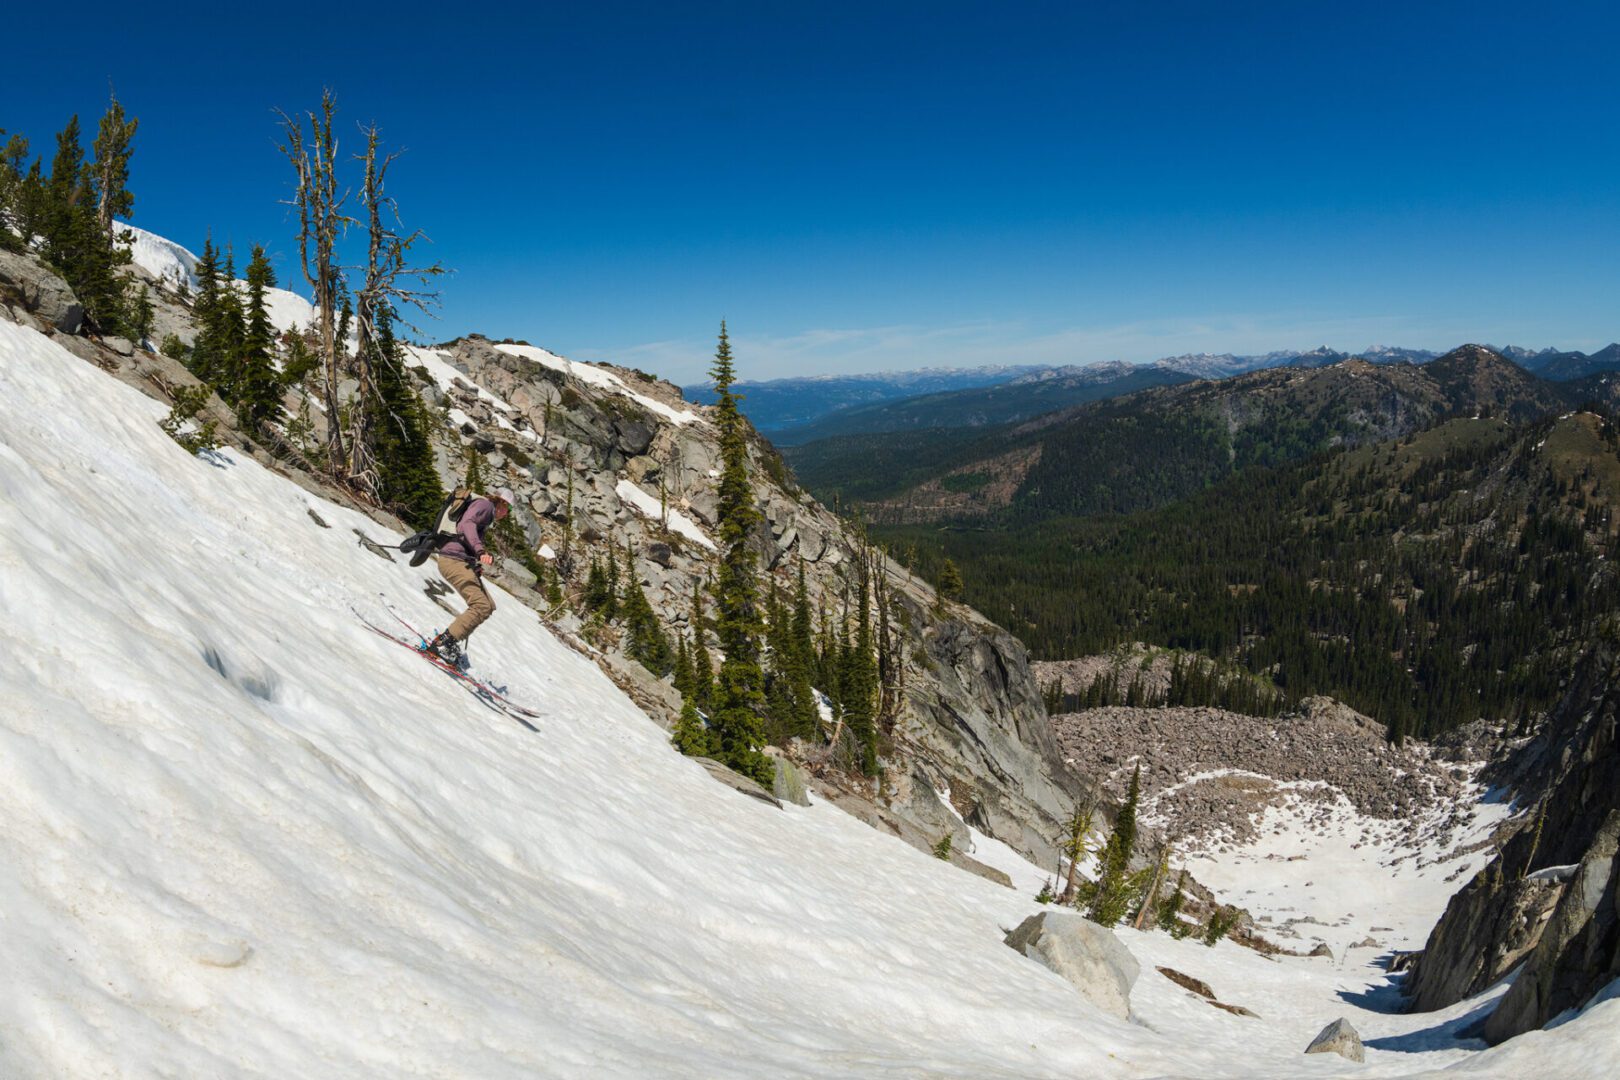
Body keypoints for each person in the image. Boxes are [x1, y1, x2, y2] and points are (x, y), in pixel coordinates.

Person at [425, 487, 514, 668]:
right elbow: (466, 524)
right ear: (502, 503)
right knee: (480, 606)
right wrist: (480, 551)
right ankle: (443, 644)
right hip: (452, 560)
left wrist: (474, 563)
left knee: (488, 605)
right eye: (509, 509)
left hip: (459, 560)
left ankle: (450, 642)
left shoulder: (484, 510)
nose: (508, 514)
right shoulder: (486, 506)